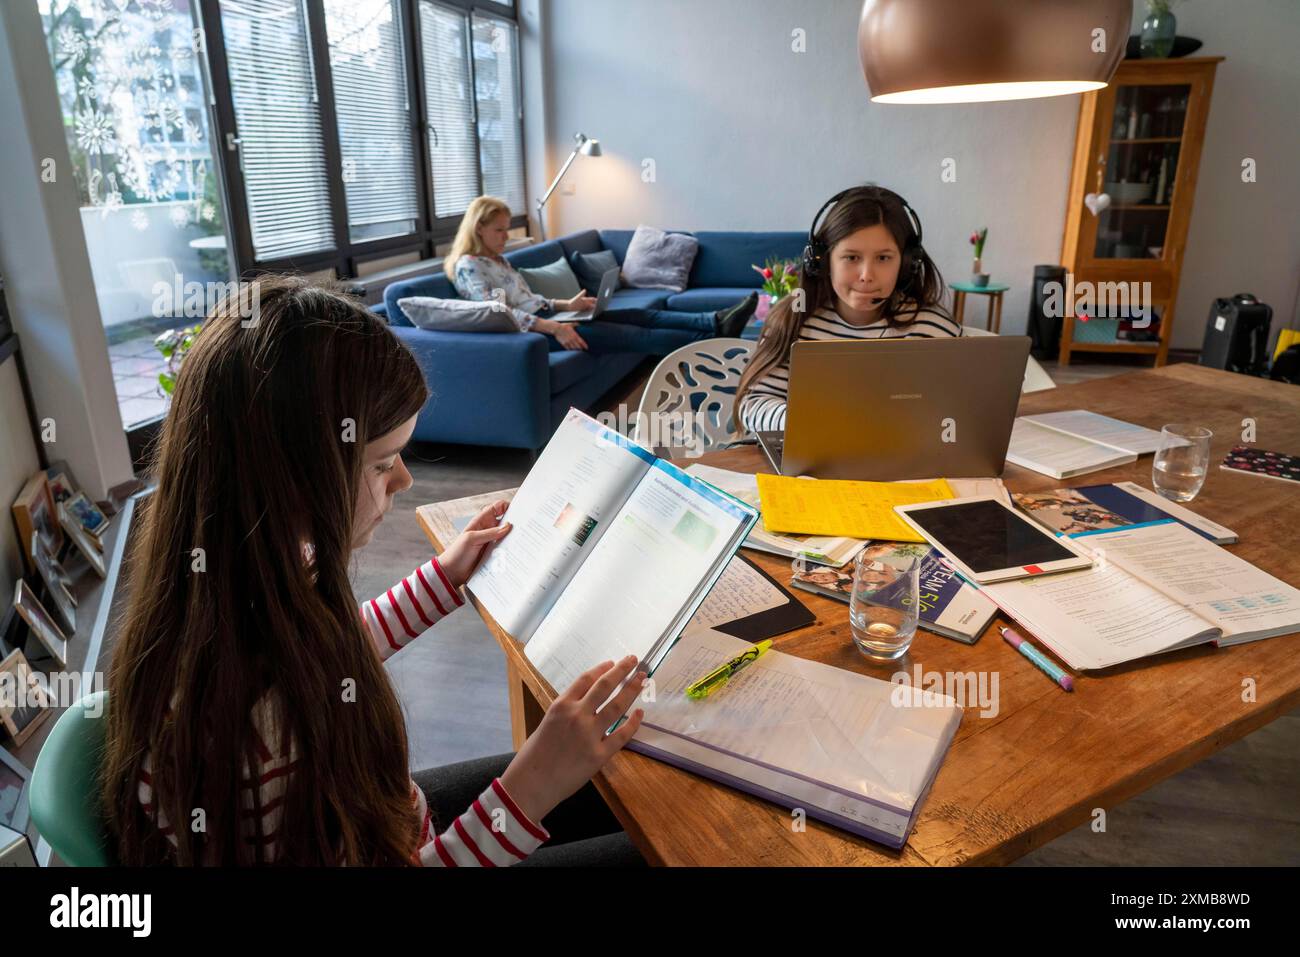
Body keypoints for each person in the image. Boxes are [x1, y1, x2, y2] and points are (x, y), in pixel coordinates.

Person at [103, 276, 648, 866]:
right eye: (383, 462)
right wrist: (531, 788)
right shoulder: (264, 742)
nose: (405, 480)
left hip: (381, 820)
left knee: (617, 784)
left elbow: (329, 651)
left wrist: (445, 576)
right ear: (291, 475)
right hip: (389, 841)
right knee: (655, 842)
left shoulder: (243, 580)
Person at [735, 185, 960, 434]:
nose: (866, 275)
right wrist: (809, 423)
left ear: (907, 264)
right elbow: (754, 405)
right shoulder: (796, 320)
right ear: (823, 262)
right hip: (811, 463)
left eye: (883, 258)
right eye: (851, 257)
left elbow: (965, 409)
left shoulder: (933, 328)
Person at [445, 196, 757, 356]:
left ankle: (713, 321)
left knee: (641, 314)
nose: (505, 236)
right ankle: (714, 342)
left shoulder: (498, 260)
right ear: (478, 228)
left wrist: (566, 304)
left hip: (550, 320)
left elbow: (526, 301)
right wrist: (553, 327)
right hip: (534, 336)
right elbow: (495, 312)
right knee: (634, 336)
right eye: (499, 230)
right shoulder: (469, 267)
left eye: (506, 228)